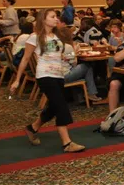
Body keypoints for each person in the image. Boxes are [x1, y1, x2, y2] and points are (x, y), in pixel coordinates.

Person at [9, 9, 85, 153]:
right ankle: (67, 143)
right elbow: (25, 59)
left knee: (53, 106)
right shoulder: (35, 37)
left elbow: (57, 54)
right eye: (52, 16)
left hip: (58, 75)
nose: (56, 19)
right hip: (45, 75)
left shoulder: (56, 36)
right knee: (61, 106)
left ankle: (32, 128)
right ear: (43, 20)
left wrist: (66, 56)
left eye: (56, 16)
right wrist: (17, 80)